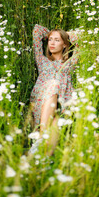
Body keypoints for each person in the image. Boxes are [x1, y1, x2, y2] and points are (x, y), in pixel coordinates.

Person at [29, 24, 78, 154]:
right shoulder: (42, 60)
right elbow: (37, 30)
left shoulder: (69, 64)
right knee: (54, 83)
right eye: (50, 39)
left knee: (56, 122)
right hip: (42, 100)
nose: (52, 43)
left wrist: (65, 35)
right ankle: (41, 136)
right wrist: (52, 34)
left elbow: (80, 39)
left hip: (61, 104)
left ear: (65, 45)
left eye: (57, 40)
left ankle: (43, 158)